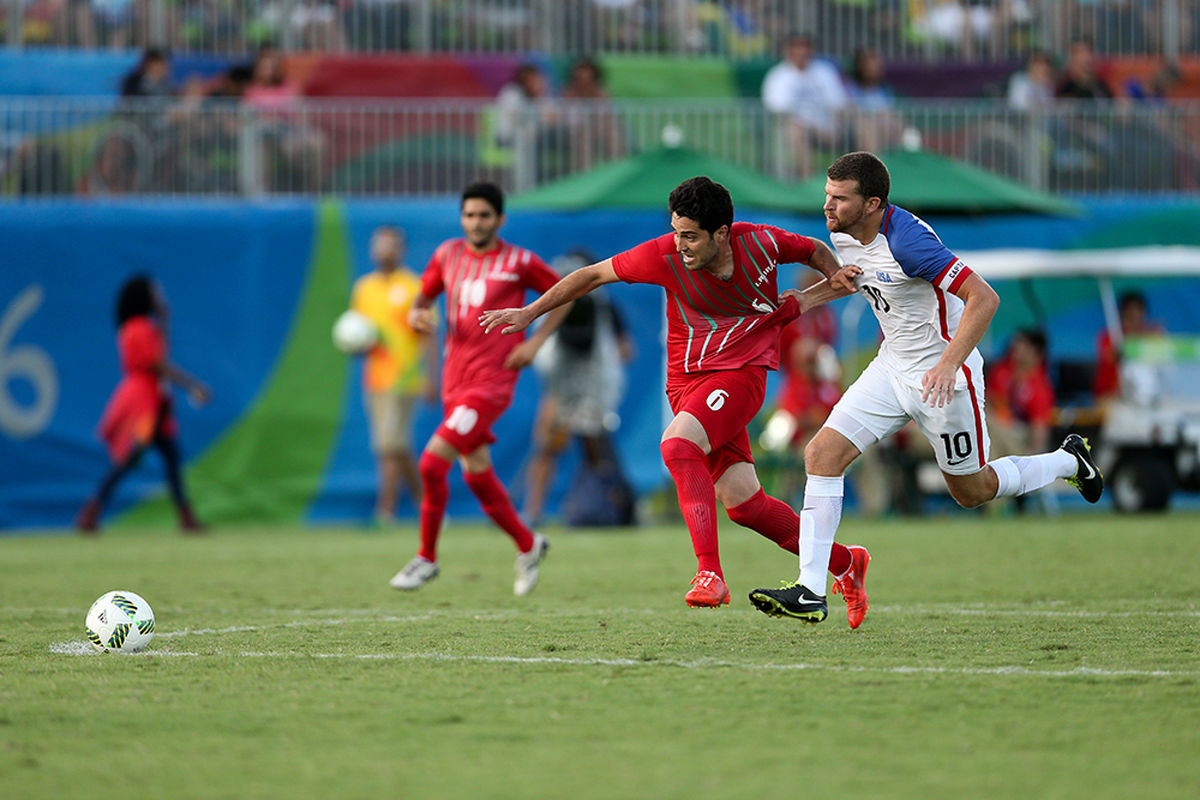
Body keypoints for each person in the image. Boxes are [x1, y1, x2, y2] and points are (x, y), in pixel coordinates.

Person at [481, 176, 870, 619]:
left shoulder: (762, 243)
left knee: (677, 445)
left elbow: (812, 249)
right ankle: (846, 562)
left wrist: (829, 275)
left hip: (742, 375)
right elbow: (591, 275)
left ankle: (709, 574)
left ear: (722, 233)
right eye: (676, 232)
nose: (680, 244)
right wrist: (529, 312)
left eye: (690, 236)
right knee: (745, 506)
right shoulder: (664, 254)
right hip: (687, 383)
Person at [748, 151, 1105, 626]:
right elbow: (861, 280)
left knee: (971, 491)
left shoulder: (910, 242)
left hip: (944, 381)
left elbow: (984, 297)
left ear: (873, 203)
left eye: (840, 198)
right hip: (890, 369)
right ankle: (812, 590)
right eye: (827, 195)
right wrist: (809, 299)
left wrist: (947, 364)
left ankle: (1068, 460)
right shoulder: (843, 233)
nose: (828, 206)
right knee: (821, 455)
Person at [388, 182, 570, 597]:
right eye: (469, 215)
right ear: (462, 218)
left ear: (500, 220)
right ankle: (529, 544)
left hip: (491, 385)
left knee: (433, 464)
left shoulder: (519, 261)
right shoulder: (447, 255)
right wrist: (418, 316)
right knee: (477, 475)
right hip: (456, 382)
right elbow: (423, 299)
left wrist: (536, 342)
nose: (476, 222)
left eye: (484, 215)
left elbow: (564, 295)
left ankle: (426, 558)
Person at [76, 276, 211, 534]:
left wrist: (164, 320)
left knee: (170, 458)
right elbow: (159, 364)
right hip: (143, 406)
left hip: (156, 406)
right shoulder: (137, 327)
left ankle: (185, 516)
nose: (160, 298)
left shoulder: (145, 327)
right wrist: (193, 385)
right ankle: (90, 511)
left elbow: (162, 354)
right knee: (131, 458)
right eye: (156, 293)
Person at [523, 249, 635, 527]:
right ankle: (532, 512)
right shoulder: (557, 305)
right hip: (561, 387)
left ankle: (610, 508)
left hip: (591, 386)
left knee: (593, 452)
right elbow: (625, 352)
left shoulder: (603, 308)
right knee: (547, 448)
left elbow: (624, 350)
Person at [350, 225, 438, 526]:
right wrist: (353, 345)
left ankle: (384, 512)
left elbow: (428, 335)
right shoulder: (363, 288)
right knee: (395, 446)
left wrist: (432, 378)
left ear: (401, 250)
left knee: (389, 445)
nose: (384, 250)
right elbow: (358, 333)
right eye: (379, 245)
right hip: (375, 378)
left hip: (406, 377)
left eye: (390, 245)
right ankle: (426, 503)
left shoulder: (415, 286)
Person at [986, 328, 1057, 513]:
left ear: (1036, 352)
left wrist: (1034, 461)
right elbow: (988, 403)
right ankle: (997, 504)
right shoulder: (1001, 372)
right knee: (988, 426)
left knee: (989, 426)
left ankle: (995, 503)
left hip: (1020, 443)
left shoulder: (1040, 386)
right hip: (991, 437)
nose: (1015, 347)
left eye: (1022, 343)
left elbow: (1038, 430)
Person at [761, 33, 848, 178]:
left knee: (867, 124)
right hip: (795, 129)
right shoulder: (778, 76)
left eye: (805, 47)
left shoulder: (825, 71)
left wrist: (837, 125)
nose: (801, 52)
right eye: (797, 47)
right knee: (796, 132)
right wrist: (810, 128)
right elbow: (778, 110)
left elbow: (839, 103)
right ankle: (808, 179)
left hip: (828, 129)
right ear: (788, 51)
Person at [1093, 290, 1164, 403]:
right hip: (1111, 394)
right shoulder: (1110, 336)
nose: (1134, 317)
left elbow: (1161, 358)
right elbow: (1110, 356)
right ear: (1122, 313)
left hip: (1143, 395)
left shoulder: (1150, 335)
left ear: (1143, 313)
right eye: (1130, 313)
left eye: (1137, 311)